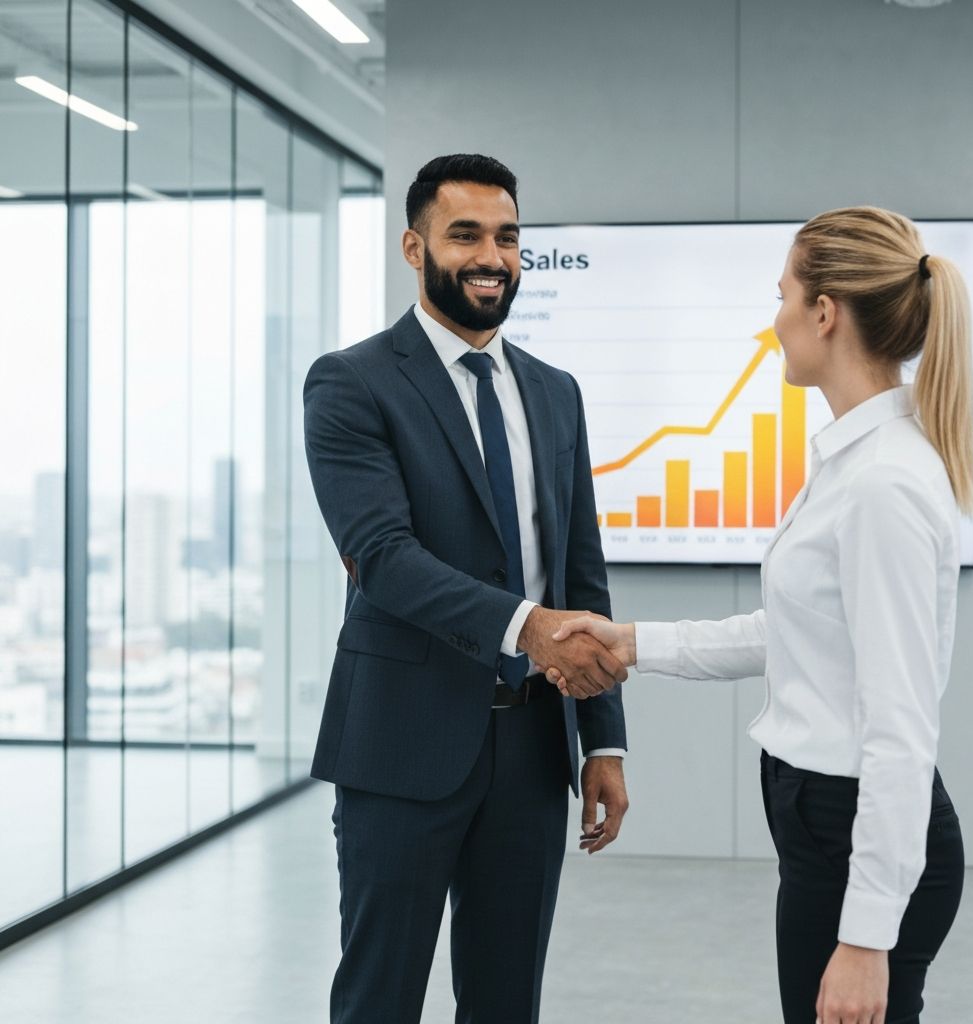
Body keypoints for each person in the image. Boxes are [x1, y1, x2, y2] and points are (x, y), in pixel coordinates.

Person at [548, 206, 973, 1024]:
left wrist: (866, 938)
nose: (774, 317)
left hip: (854, 828)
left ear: (825, 312)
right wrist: (633, 643)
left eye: (782, 294)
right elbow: (796, 635)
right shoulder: (853, 463)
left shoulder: (882, 484)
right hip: (822, 821)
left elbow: (900, 727)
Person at [303, 153, 629, 1024]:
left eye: (508, 237)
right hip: (400, 748)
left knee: (505, 1001)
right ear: (415, 247)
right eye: (466, 235)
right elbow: (382, 555)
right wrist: (527, 628)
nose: (492, 255)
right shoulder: (352, 382)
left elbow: (582, 574)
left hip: (531, 754)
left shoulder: (556, 395)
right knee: (380, 999)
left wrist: (603, 741)